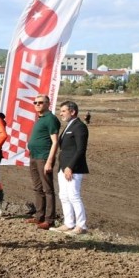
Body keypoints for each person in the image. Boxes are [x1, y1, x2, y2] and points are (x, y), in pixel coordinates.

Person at [50, 100, 90, 235]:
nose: (61, 114)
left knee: (74, 196)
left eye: (63, 111)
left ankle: (81, 226)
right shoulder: (68, 126)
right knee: (63, 196)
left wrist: (70, 167)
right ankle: (69, 223)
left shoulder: (79, 127)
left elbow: (80, 150)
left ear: (72, 112)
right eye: (60, 111)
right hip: (63, 167)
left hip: (73, 168)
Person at [25, 94, 60, 230]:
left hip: (43, 157)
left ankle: (49, 219)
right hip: (34, 156)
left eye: (41, 102)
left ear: (48, 104)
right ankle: (39, 216)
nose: (37, 104)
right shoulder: (40, 119)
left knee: (48, 189)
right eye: (35, 102)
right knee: (37, 188)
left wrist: (49, 161)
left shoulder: (50, 119)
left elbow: (55, 142)